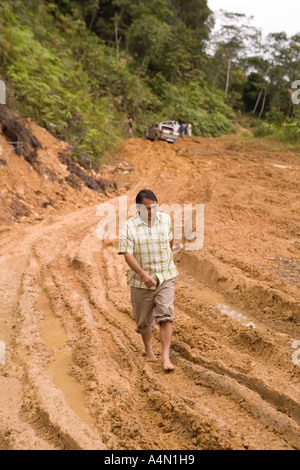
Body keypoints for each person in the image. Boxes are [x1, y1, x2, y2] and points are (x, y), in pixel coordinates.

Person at [118, 189, 178, 371]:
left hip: (165, 276)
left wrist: (169, 262)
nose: (152, 212)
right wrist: (143, 275)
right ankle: (148, 348)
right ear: (138, 208)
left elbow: (170, 242)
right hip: (140, 281)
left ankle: (166, 356)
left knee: (166, 314)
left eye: (154, 207)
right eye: (147, 209)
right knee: (143, 320)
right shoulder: (129, 226)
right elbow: (127, 254)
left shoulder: (165, 220)